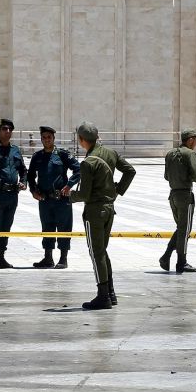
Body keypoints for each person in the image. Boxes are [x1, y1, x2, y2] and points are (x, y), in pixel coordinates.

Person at [64, 121, 135, 310]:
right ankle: (110, 293)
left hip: (95, 211)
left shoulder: (88, 163)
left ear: (81, 140)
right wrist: (118, 190)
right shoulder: (110, 153)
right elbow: (130, 171)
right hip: (109, 209)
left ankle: (103, 296)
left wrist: (69, 196)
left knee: (96, 253)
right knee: (102, 251)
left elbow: (85, 194)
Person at [27, 126, 81, 269]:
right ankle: (48, 258)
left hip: (61, 199)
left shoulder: (62, 155)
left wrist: (69, 185)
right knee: (47, 227)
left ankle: (63, 258)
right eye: (44, 137)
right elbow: (30, 176)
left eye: (49, 137)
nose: (46, 140)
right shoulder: (37, 157)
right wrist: (33, 191)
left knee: (64, 228)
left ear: (53, 138)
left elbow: (78, 169)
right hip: (44, 199)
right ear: (41, 139)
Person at [0, 119, 28, 270]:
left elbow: (23, 170)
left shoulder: (15, 150)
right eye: (4, 129)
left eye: (9, 129)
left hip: (12, 195)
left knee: (6, 227)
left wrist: (24, 182)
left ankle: (0, 257)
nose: (7, 131)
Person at [160, 129, 196, 273]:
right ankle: (181, 262)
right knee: (185, 230)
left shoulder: (170, 153)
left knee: (181, 228)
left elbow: (166, 176)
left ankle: (166, 256)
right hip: (185, 195)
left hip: (173, 195)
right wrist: (188, 178)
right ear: (190, 140)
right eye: (195, 140)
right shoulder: (189, 153)